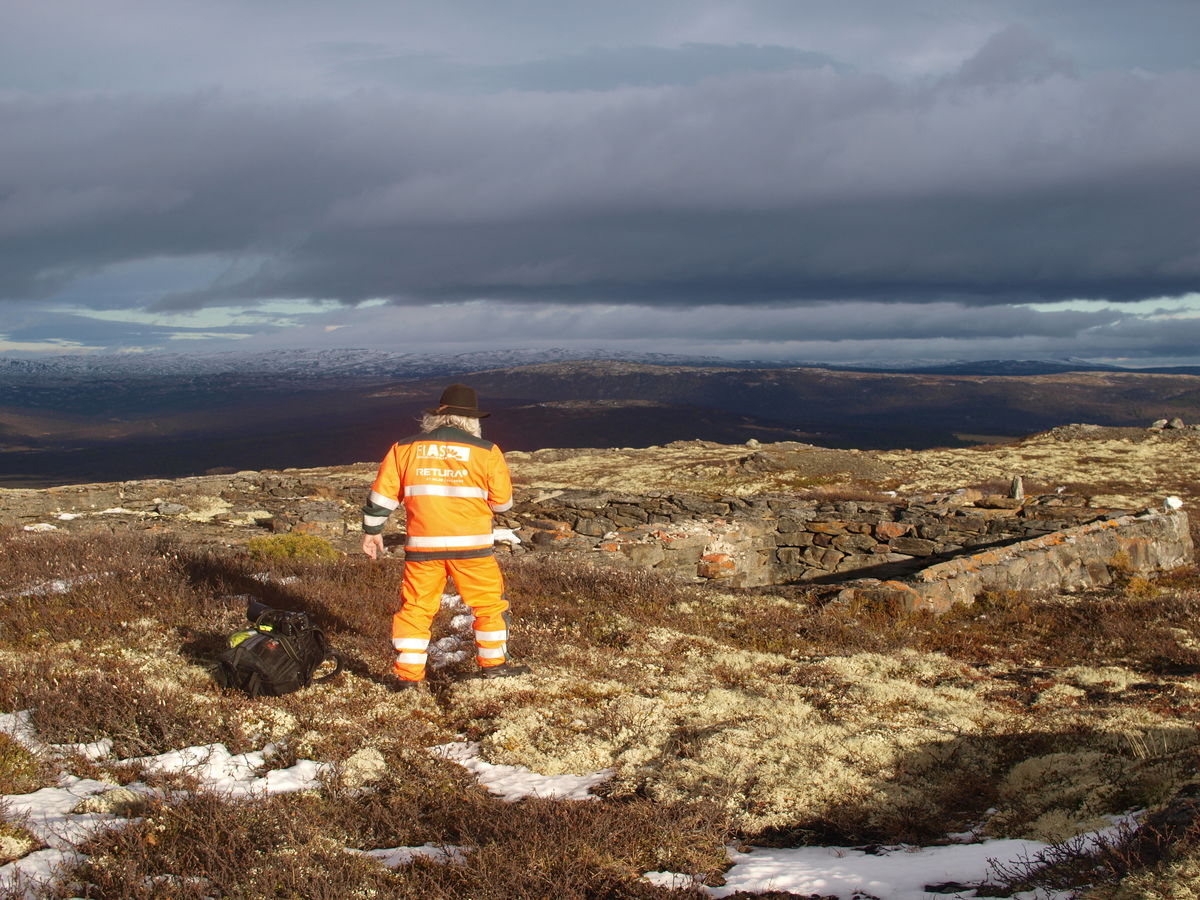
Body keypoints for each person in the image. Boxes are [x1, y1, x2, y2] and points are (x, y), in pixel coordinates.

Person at [361, 384, 529, 689]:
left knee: (415, 608)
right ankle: (493, 667)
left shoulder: (403, 448)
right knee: (489, 606)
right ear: (472, 420)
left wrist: (372, 531)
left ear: (437, 416)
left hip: (423, 548)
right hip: (474, 549)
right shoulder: (487, 451)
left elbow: (382, 496)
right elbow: (503, 503)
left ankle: (407, 679)